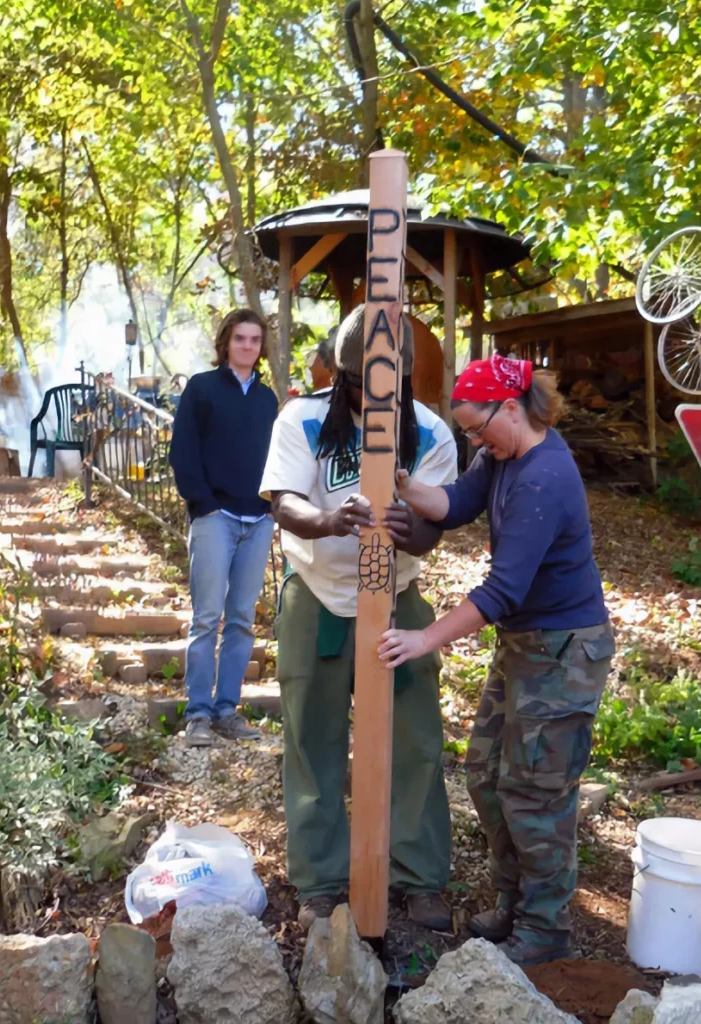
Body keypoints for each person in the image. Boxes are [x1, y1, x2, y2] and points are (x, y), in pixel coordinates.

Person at [380, 353, 615, 968]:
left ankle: (547, 926)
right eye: (467, 434)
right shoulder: (502, 455)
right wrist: (402, 485)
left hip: (563, 650)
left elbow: (501, 591)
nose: (473, 441)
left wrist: (424, 639)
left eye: (477, 429)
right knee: (487, 775)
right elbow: (455, 504)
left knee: (535, 791)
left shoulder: (545, 477)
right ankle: (516, 899)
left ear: (511, 408)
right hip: (523, 645)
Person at [260, 306, 458, 932]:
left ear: (403, 382)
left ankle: (418, 875)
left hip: (396, 601)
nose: (372, 403)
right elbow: (284, 500)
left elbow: (435, 526)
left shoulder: (429, 431)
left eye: (387, 392)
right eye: (357, 388)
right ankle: (320, 879)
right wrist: (328, 519)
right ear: (338, 378)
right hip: (316, 597)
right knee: (311, 741)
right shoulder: (304, 417)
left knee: (415, 739)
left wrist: (412, 531)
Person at [168, 309, 278, 748]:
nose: (248, 346)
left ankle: (227, 710)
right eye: (240, 339)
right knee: (206, 618)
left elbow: (277, 458)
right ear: (226, 343)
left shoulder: (269, 400)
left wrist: (273, 509)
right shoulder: (202, 389)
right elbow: (183, 451)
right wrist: (204, 505)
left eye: (254, 340)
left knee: (242, 621)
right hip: (215, 518)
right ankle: (197, 714)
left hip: (258, 520)